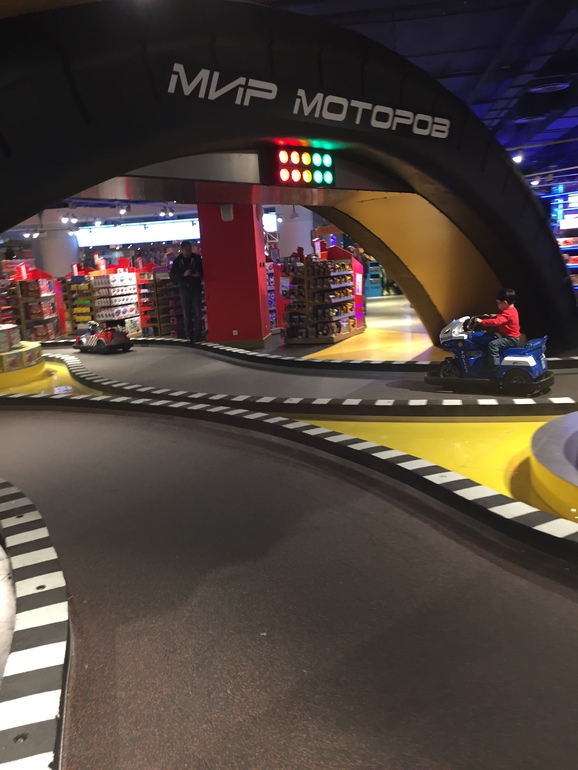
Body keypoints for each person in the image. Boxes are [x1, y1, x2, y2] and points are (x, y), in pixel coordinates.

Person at [473, 287, 521, 373]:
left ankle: (495, 367)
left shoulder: (507, 313)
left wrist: (481, 322)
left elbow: (497, 322)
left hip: (510, 339)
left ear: (505, 303)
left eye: (498, 303)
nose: (497, 305)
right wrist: (496, 315)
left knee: (492, 345)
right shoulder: (512, 310)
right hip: (512, 337)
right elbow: (503, 318)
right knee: (491, 336)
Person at [169, 240, 204, 343]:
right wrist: (183, 275)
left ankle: (197, 336)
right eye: (187, 249)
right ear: (182, 249)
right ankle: (189, 336)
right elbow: (172, 275)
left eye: (190, 248)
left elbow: (203, 271)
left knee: (197, 313)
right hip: (184, 289)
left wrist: (198, 274)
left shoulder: (197, 259)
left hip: (195, 288)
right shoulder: (178, 261)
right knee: (187, 314)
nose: (189, 251)